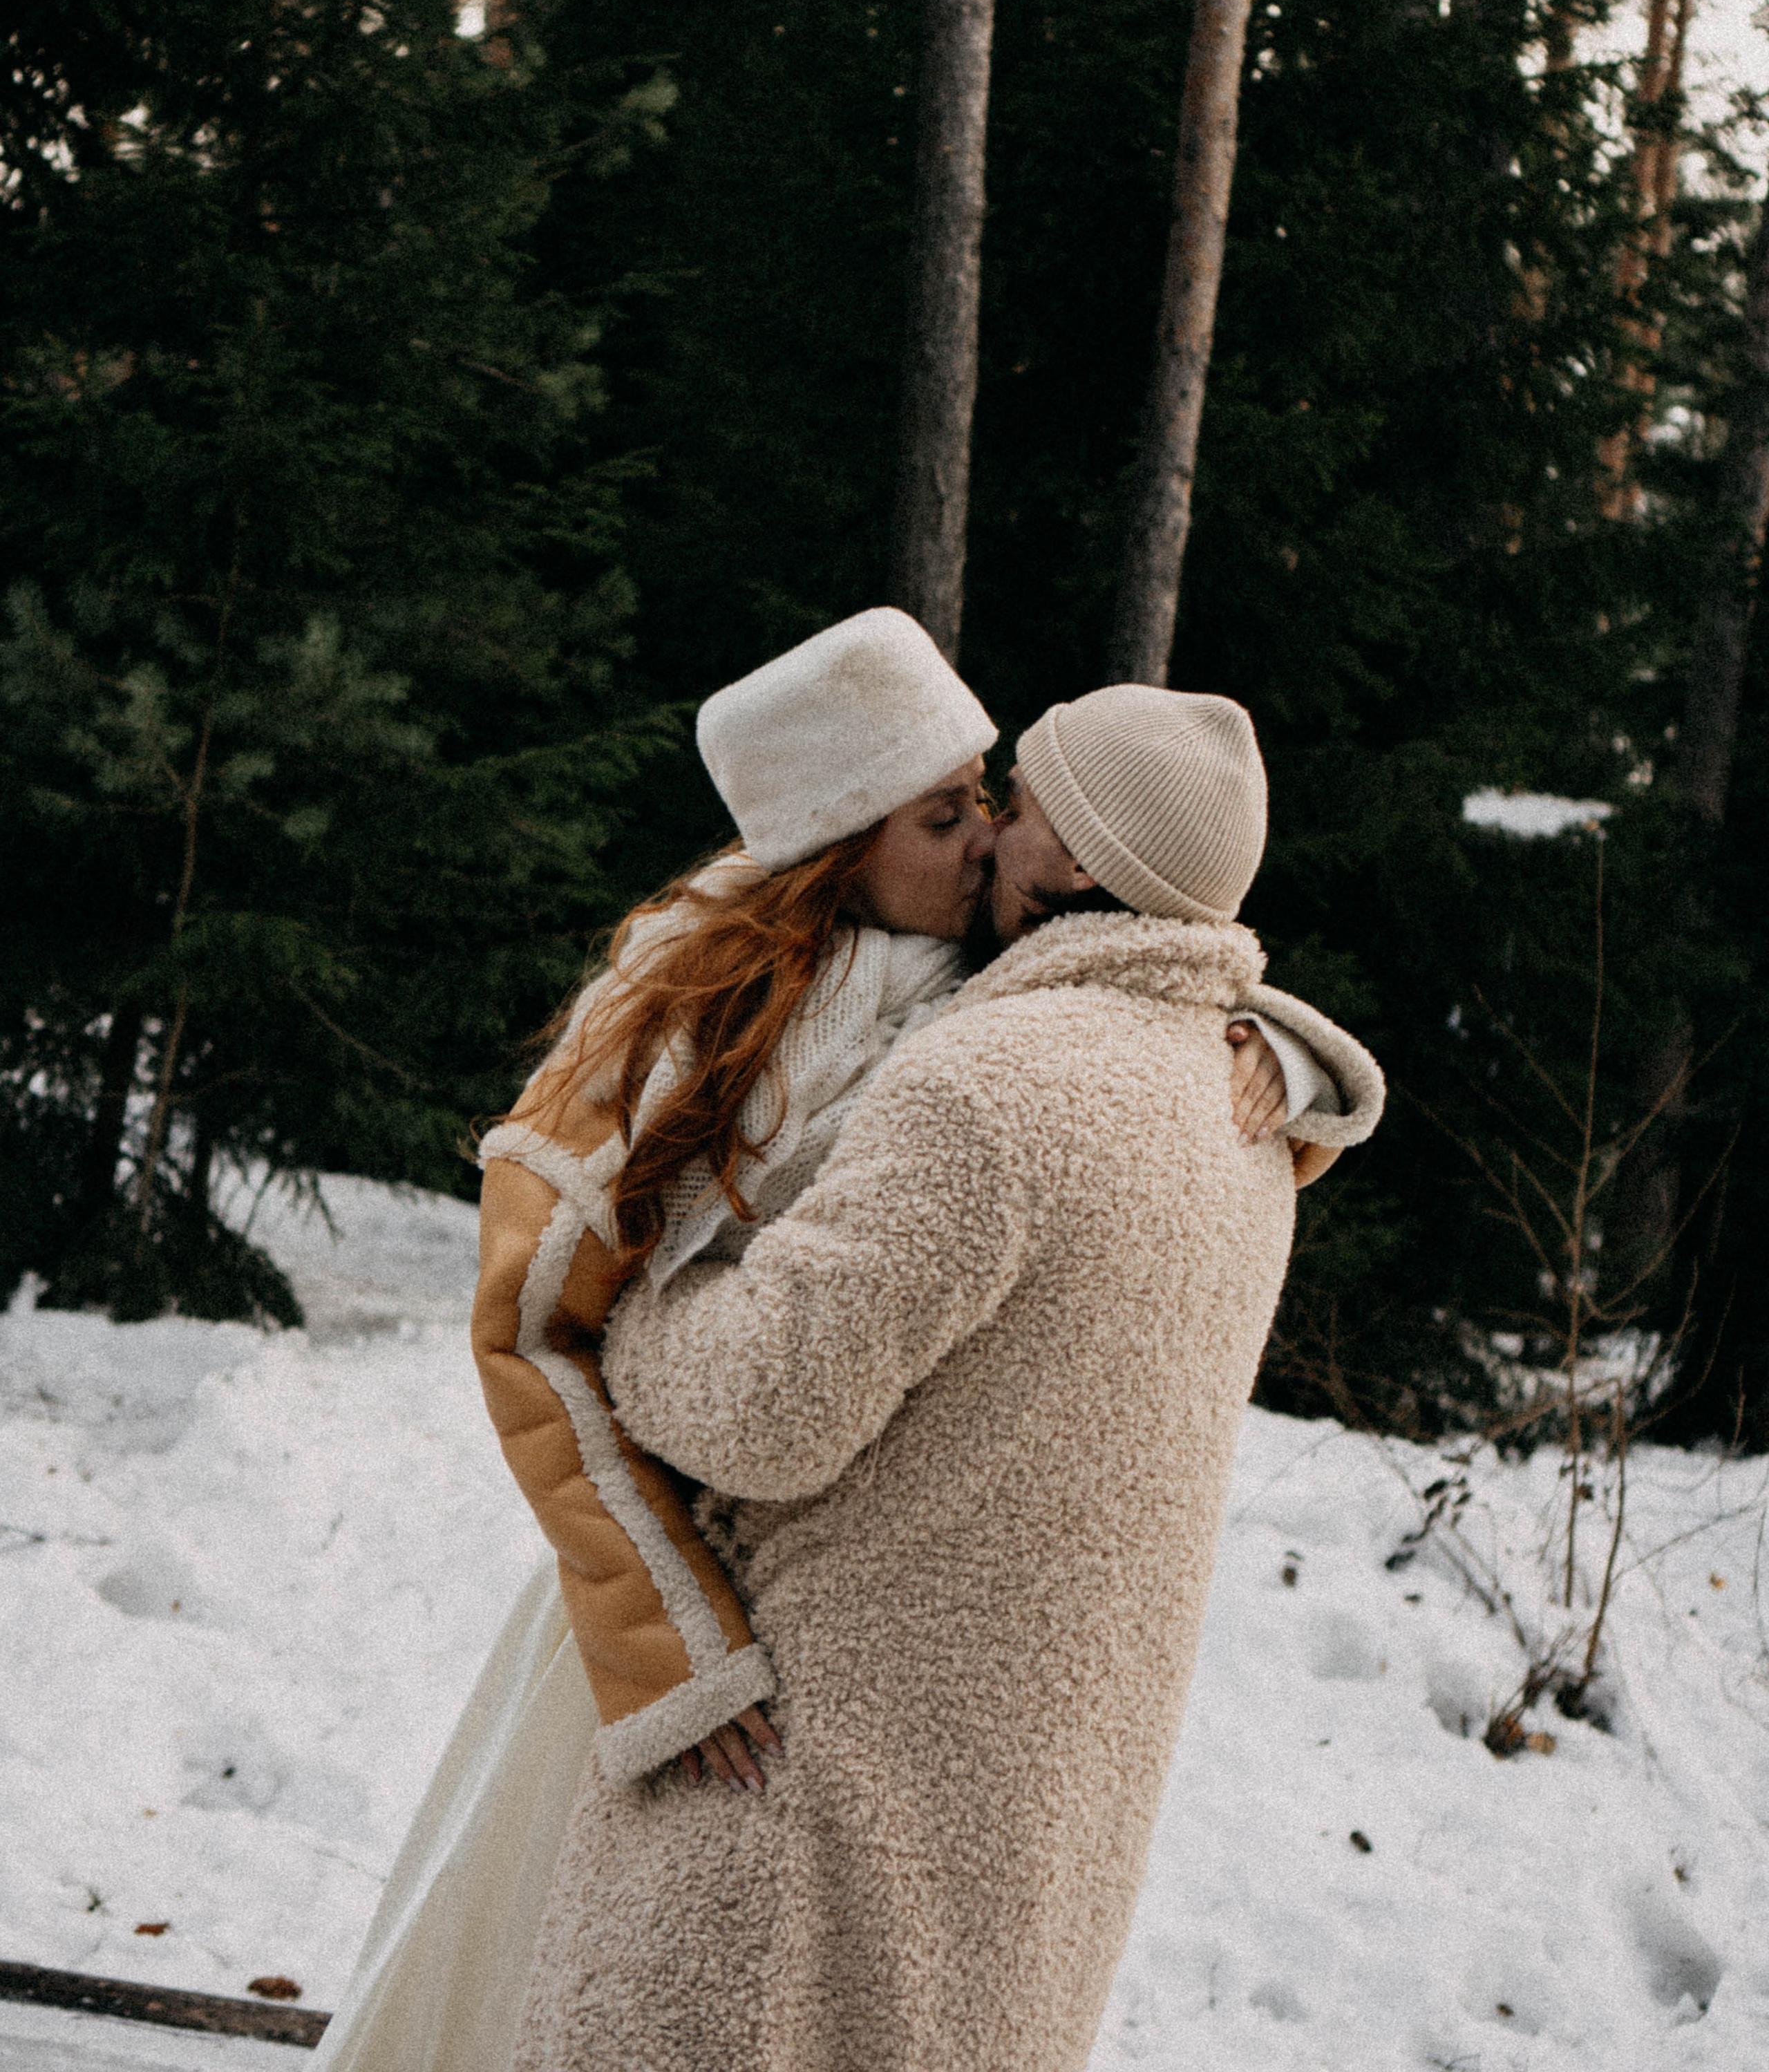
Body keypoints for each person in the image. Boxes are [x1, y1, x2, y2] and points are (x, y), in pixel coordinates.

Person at [310, 614, 1357, 2072]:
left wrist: (1300, 1055)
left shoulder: (1000, 1037)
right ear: (833, 842)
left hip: (831, 1699)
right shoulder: (694, 1017)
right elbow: (534, 1333)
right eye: (950, 811)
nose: (987, 835)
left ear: (1075, 875)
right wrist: (665, 1643)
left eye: (999, 800)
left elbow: (766, 1394)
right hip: (670, 1613)